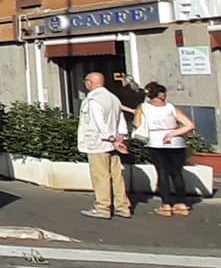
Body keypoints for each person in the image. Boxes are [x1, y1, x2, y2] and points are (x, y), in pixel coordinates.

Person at [134, 82, 198, 216]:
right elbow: (190, 125)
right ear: (162, 94)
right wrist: (172, 133)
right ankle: (181, 203)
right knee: (177, 173)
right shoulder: (171, 107)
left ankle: (166, 204)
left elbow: (137, 124)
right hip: (176, 143)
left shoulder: (143, 107)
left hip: (156, 141)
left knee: (162, 173)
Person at [77, 71, 132, 219]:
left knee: (100, 176)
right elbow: (121, 119)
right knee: (116, 176)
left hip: (98, 143)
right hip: (113, 144)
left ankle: (103, 208)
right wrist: (120, 138)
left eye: (86, 82)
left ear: (90, 82)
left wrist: (110, 138)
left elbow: (98, 122)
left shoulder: (93, 100)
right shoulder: (113, 98)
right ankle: (123, 206)